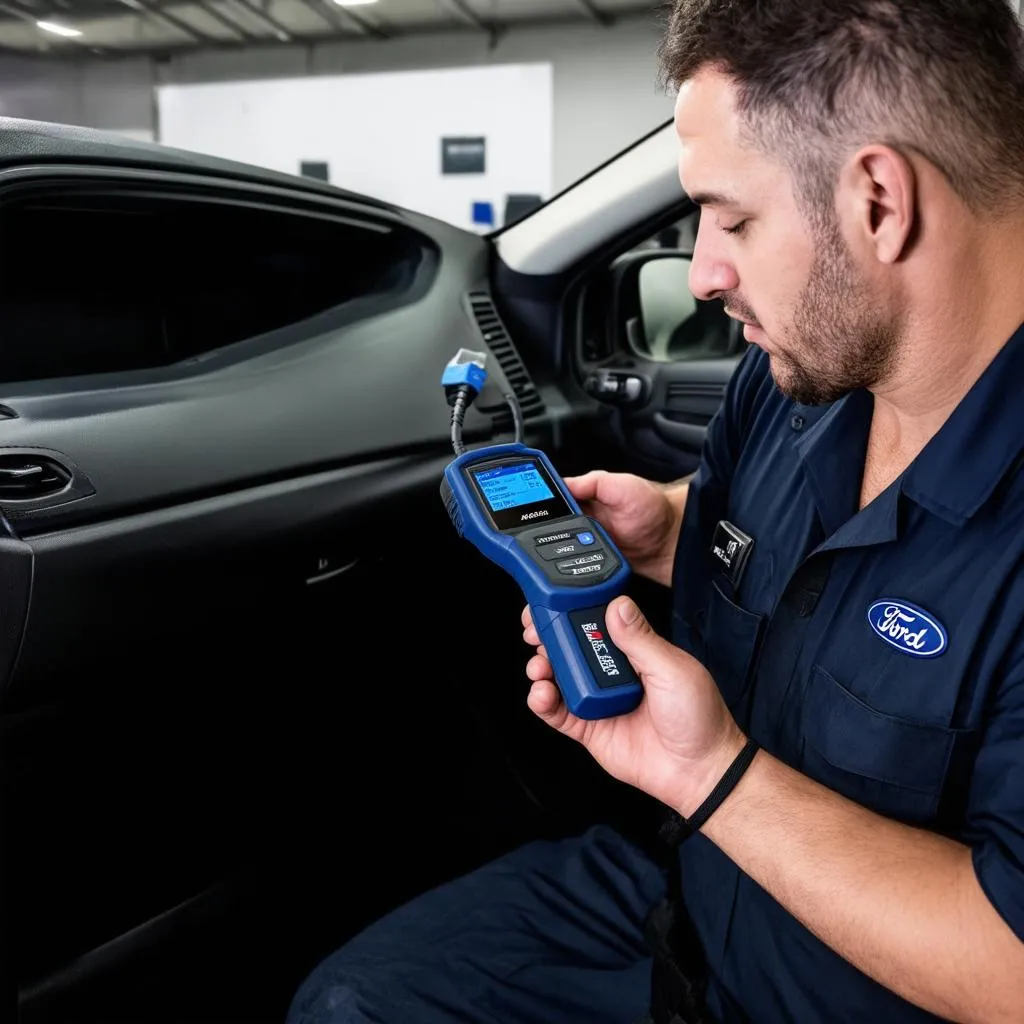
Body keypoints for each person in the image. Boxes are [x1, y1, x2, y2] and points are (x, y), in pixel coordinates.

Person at [287, 0, 1024, 1020]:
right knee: (354, 1003)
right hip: (682, 902)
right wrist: (675, 531)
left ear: (877, 202)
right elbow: (793, 555)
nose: (705, 271)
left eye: (732, 217)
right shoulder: (788, 381)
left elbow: (1011, 964)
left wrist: (712, 776)